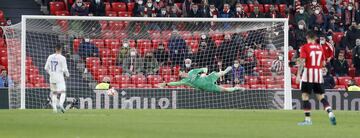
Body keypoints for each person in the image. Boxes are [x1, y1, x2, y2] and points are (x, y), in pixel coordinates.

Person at [296, 32, 336, 126]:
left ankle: (308, 120)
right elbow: (323, 63)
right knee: (321, 97)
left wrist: (298, 75)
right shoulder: (320, 47)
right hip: (318, 75)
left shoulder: (305, 47)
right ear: (315, 38)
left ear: (308, 38)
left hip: (308, 74)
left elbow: (302, 61)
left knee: (305, 96)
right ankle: (330, 112)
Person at [157, 67, 245, 93]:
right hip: (207, 87)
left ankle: (224, 71)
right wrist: (166, 84)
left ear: (183, 71)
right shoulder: (185, 81)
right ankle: (237, 88)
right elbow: (176, 83)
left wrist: (204, 73)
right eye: (179, 74)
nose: (180, 74)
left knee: (216, 74)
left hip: (207, 78)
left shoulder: (192, 72)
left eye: (180, 73)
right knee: (225, 90)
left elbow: (204, 68)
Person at [44, 44, 70, 113]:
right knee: (63, 92)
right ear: (61, 49)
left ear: (55, 49)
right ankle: (61, 104)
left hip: (52, 77)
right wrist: (67, 75)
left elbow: (46, 68)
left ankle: (55, 109)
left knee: (54, 93)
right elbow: (65, 69)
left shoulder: (50, 56)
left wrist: (51, 73)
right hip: (59, 77)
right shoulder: (62, 58)